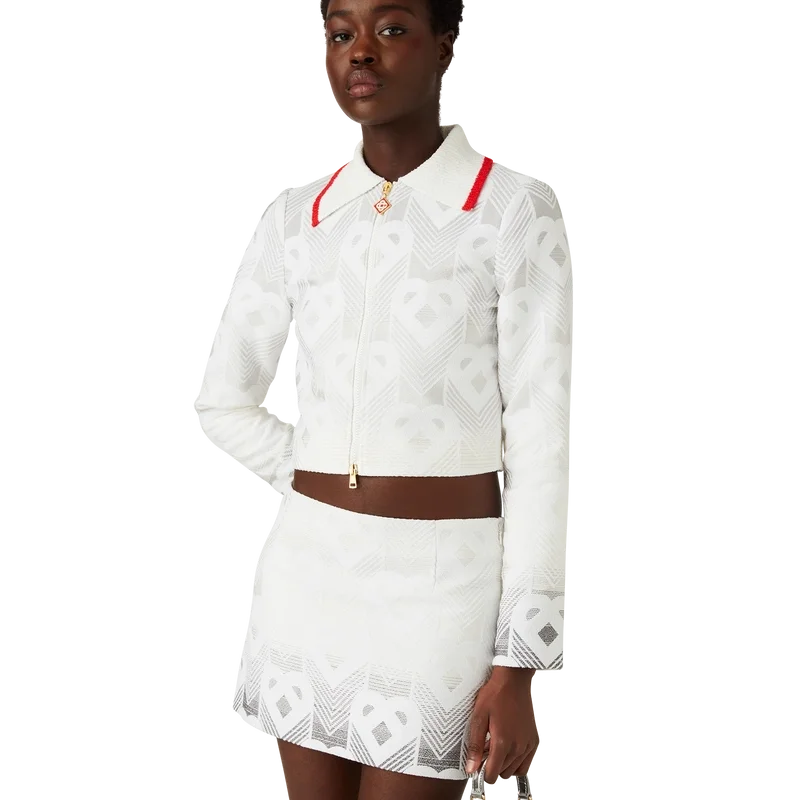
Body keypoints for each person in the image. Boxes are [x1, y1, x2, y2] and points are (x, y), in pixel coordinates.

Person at [194, 0, 571, 798]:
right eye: (341, 34)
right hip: (306, 582)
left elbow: (544, 439)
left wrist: (520, 660)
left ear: (445, 45)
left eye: (391, 29)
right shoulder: (295, 218)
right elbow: (221, 401)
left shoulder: (511, 209)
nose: (360, 52)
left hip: (443, 595)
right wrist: (323, 471)